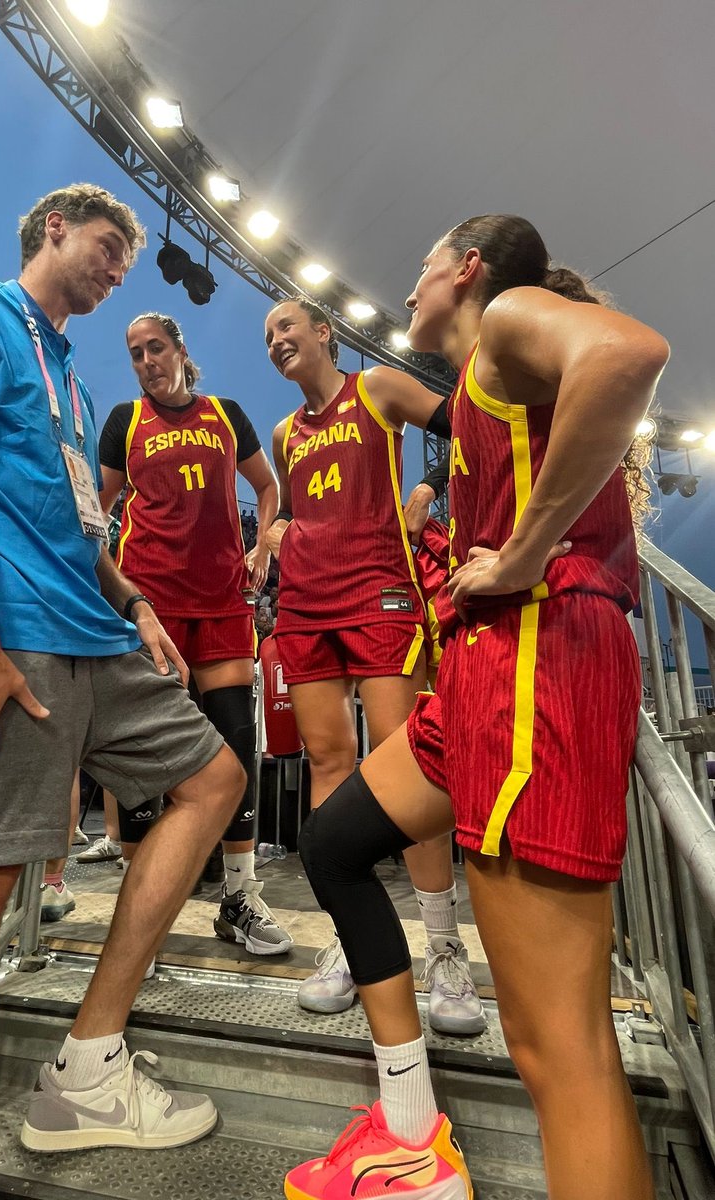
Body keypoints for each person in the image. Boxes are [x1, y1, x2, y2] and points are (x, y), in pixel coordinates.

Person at [284, 214, 668, 1200]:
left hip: (540, 663)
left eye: (418, 270)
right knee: (332, 844)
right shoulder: (473, 399)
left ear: (465, 271)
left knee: (559, 1052)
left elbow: (630, 354)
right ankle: (413, 1132)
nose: (408, 292)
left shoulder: (507, 322)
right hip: (478, 679)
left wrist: (533, 546)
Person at [0, 183, 245, 1200]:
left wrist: (139, 606)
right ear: (54, 227)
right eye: (105, 247)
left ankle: (89, 1064)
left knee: (216, 778)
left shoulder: (79, 384)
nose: (116, 268)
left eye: (128, 261)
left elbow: (79, 522)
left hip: (95, 636)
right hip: (7, 642)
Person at [263, 297, 483, 1033]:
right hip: (305, 606)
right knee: (329, 762)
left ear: (324, 333)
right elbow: (293, 509)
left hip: (379, 593)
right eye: (266, 337)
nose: (275, 341)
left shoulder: (378, 388)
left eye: (286, 328)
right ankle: (350, 936)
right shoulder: (283, 430)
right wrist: (273, 536)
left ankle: (444, 952)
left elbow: (467, 426)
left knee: (405, 767)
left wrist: (429, 489)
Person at [98, 313, 291, 956]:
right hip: (151, 603)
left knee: (236, 746)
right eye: (134, 353)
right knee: (141, 756)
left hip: (221, 601)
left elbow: (268, 487)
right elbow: (97, 510)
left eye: (155, 347)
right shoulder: (124, 422)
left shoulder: (225, 414)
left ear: (180, 350)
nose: (147, 360)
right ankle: (138, 914)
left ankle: (238, 897)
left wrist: (263, 541)